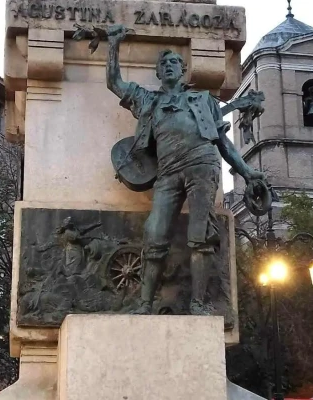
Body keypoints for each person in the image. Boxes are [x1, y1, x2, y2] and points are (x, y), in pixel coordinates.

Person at [105, 25, 268, 315]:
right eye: (163, 64)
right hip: (167, 171)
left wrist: (246, 172)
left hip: (202, 165)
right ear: (157, 73)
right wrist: (114, 45)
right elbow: (115, 82)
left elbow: (221, 141)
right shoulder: (148, 100)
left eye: (173, 63)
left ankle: (198, 303)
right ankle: (144, 304)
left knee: (201, 235)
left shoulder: (203, 98)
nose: (168, 66)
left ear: (182, 70)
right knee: (154, 233)